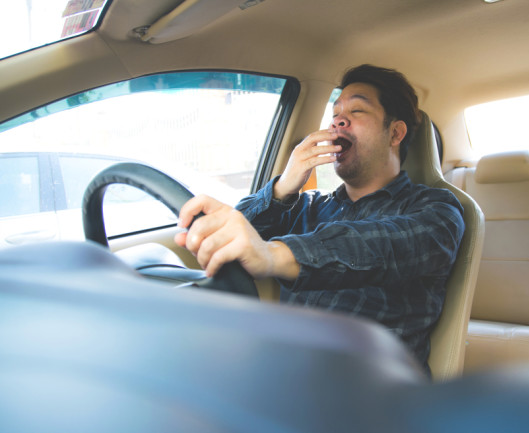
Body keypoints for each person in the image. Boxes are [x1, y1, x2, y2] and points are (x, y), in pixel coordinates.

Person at [175, 65, 465, 374]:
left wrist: (273, 255)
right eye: (336, 112)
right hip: (281, 370)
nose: (339, 119)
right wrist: (283, 187)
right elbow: (233, 240)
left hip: (371, 393)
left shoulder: (437, 209)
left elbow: (378, 247)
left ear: (395, 132)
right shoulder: (308, 206)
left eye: (357, 110)